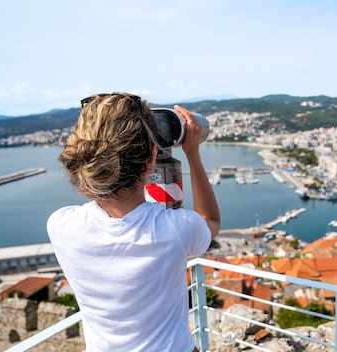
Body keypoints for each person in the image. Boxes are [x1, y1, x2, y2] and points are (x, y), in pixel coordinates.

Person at [47, 93, 220, 352]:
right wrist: (193, 155)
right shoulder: (176, 229)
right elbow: (211, 221)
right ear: (151, 157)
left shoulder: (61, 225)